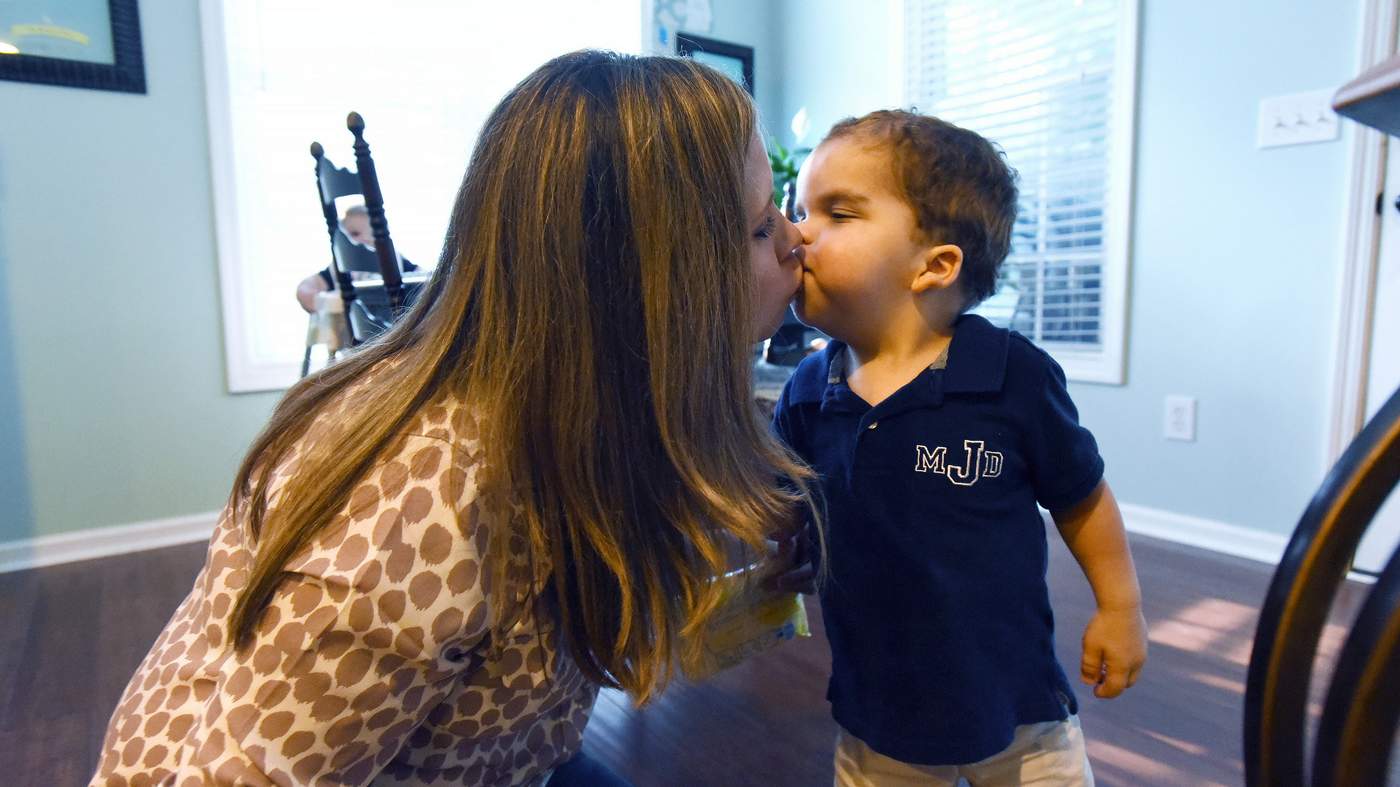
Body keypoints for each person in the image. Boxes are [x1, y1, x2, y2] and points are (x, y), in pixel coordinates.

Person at [91, 49, 816, 786]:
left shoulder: (593, 411)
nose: (799, 241)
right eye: (761, 228)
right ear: (643, 287)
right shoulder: (418, 513)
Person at [774, 109, 1148, 786]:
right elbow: (783, 501)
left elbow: (1081, 495)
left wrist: (1120, 607)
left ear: (935, 265)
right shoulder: (806, 390)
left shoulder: (1011, 377)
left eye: (837, 211)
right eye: (799, 208)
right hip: (880, 713)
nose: (798, 232)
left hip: (1019, 707)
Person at [296, 205, 422, 313]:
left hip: (389, 323)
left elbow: (422, 278)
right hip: (352, 330)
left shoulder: (393, 260)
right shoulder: (340, 268)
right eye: (348, 237)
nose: (352, 243)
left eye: (355, 234)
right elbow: (306, 288)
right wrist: (323, 302)